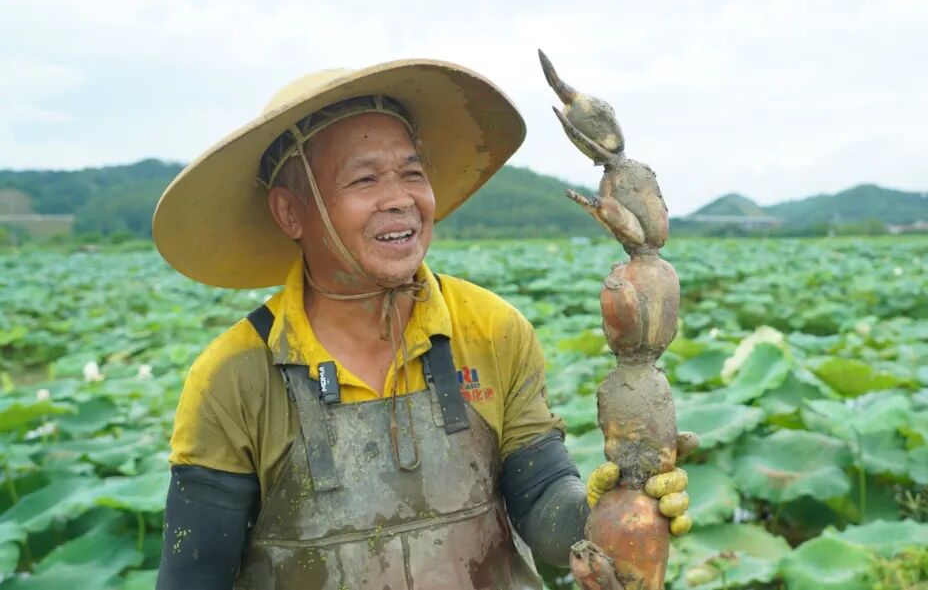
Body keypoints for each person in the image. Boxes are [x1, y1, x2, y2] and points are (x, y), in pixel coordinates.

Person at [152, 59, 690, 590]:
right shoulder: (234, 374)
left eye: (412, 172)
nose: (400, 200)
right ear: (291, 212)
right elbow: (194, 572)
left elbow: (540, 492)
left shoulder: (491, 328)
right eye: (364, 179)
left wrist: (608, 512)